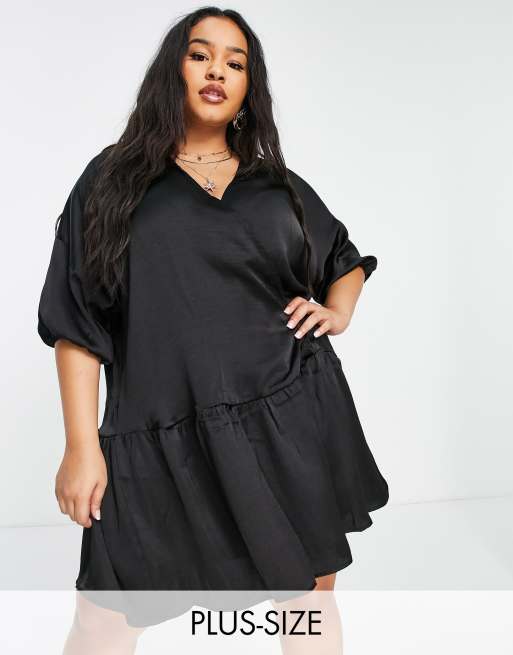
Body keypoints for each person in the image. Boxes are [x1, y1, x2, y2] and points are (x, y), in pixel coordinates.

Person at [37, 5, 389, 641]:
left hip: (288, 417)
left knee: (307, 601)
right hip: (158, 433)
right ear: (173, 69)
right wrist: (81, 446)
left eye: (235, 63)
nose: (217, 71)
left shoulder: (273, 185)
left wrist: (337, 311)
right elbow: (78, 319)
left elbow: (343, 260)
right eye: (200, 55)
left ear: (250, 87)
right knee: (105, 615)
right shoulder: (113, 178)